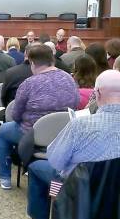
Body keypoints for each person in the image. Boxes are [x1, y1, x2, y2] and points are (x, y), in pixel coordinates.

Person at [27, 69, 120, 219]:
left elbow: (55, 160)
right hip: (114, 197)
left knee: (35, 167)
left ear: (98, 93)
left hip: (78, 192)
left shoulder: (80, 125)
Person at [0, 45, 79, 189]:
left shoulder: (29, 83)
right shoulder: (69, 79)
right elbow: (76, 105)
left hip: (32, 133)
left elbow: (15, 115)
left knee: (3, 131)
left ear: (32, 63)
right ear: (52, 60)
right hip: (63, 134)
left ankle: (4, 177)